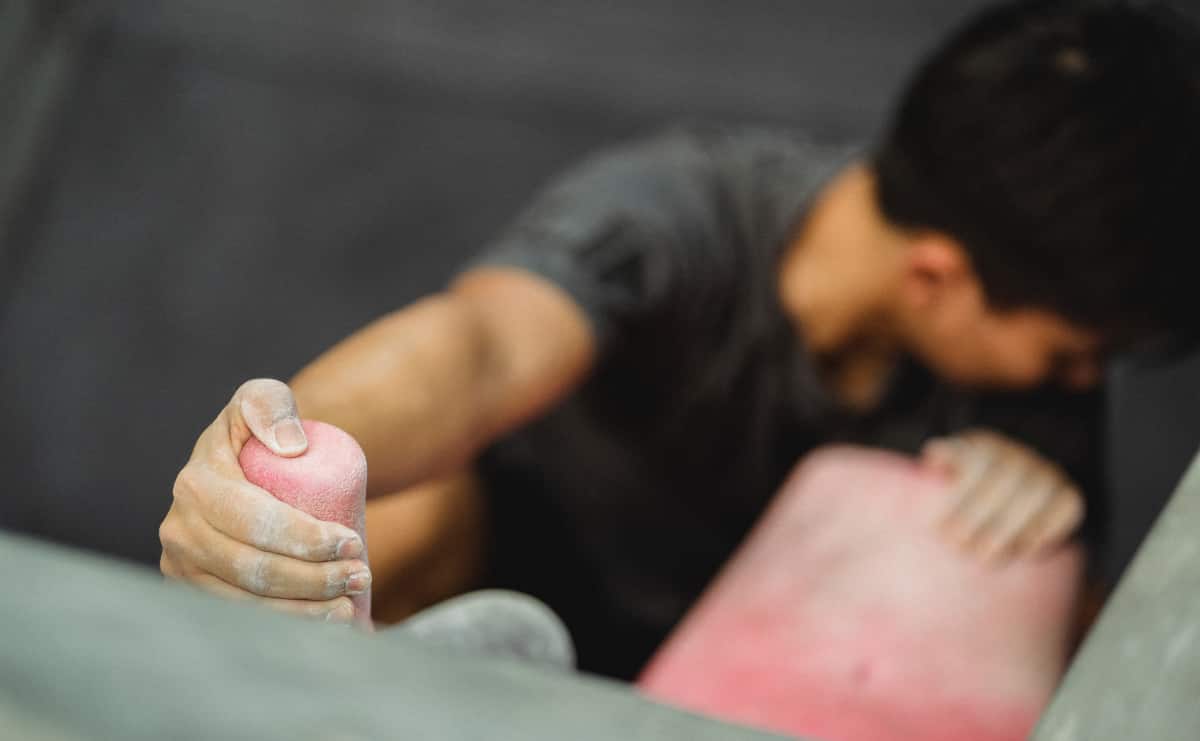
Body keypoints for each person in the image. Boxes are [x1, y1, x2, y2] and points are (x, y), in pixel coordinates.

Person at [158, 0, 1200, 678]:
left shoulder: (1028, 387)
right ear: (938, 275)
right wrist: (266, 481)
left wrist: (1035, 538)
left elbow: (1082, 661)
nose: (1080, 381)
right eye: (1070, 353)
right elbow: (484, 346)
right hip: (493, 605)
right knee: (411, 508)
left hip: (747, 692)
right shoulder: (676, 214)